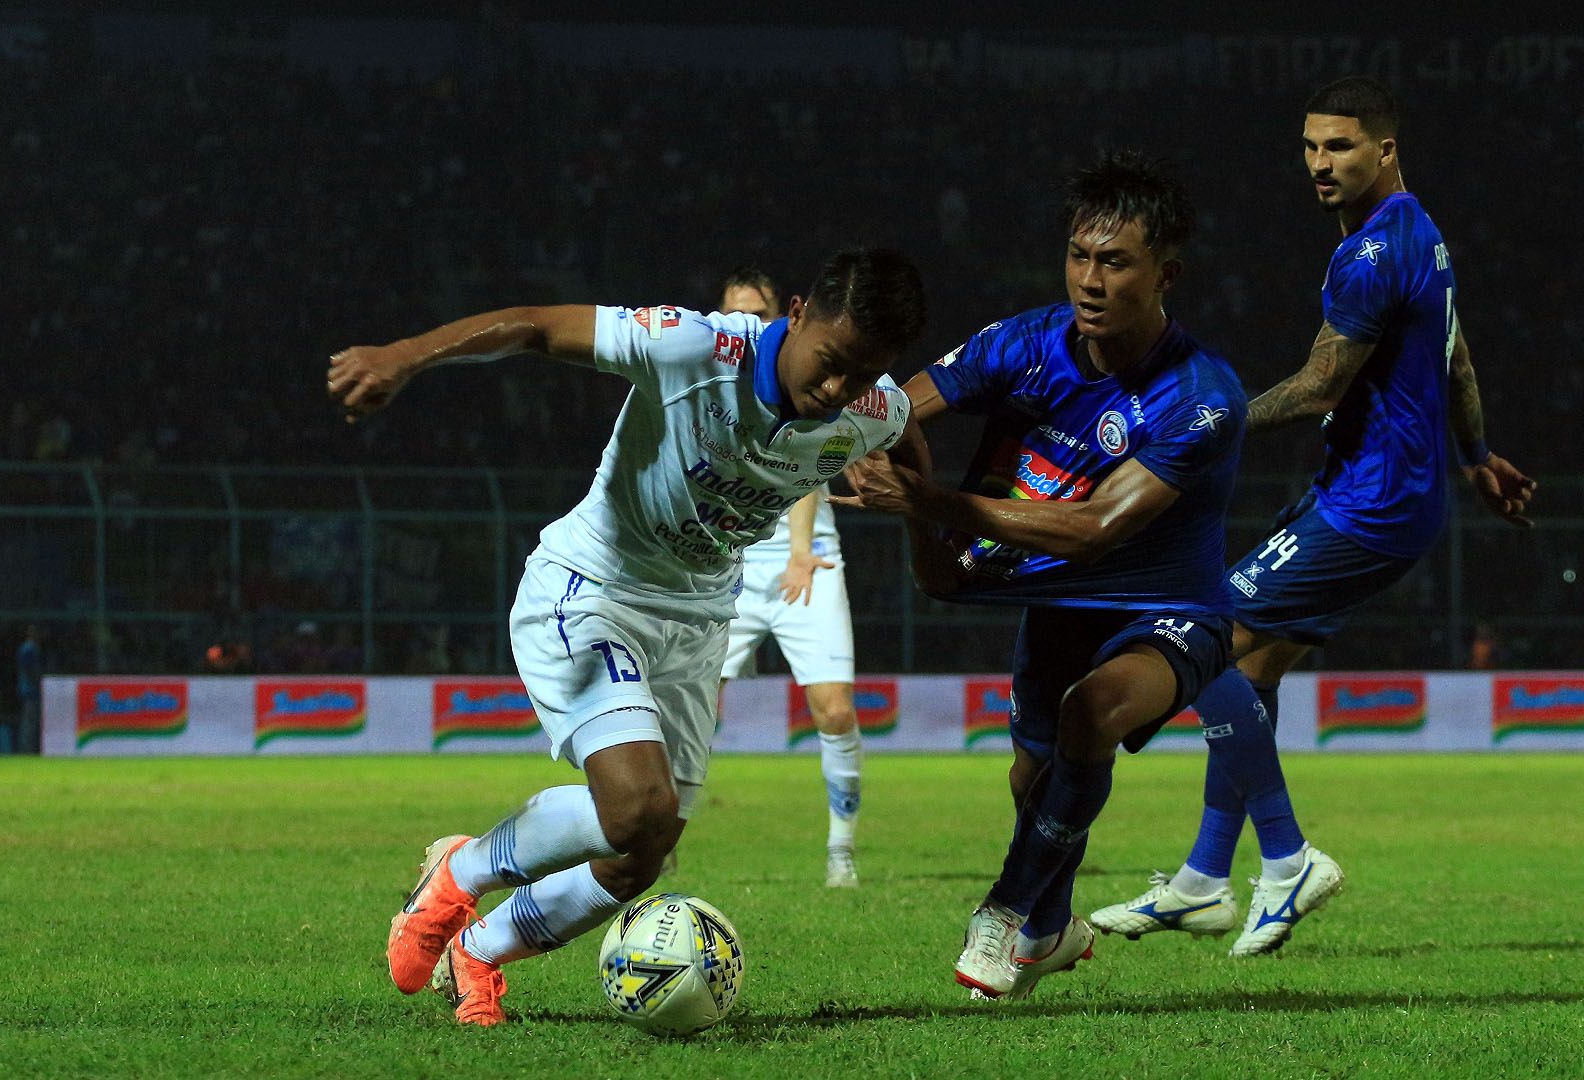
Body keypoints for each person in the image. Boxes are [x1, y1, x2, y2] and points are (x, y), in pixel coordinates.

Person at [327, 247, 923, 1025]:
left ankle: (480, 952)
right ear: (799, 313)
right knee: (639, 807)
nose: (839, 389)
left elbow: (908, 435)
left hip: (699, 621)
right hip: (593, 591)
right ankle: (459, 871)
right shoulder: (694, 347)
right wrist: (403, 356)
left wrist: (929, 518)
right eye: (834, 362)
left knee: (642, 851)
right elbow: (539, 328)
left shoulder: (870, 409)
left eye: (863, 374)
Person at [1089, 77, 1536, 957]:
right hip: (1377, 493)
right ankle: (1205, 881)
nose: (1319, 164)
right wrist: (1477, 457)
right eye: (1309, 147)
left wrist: (1202, 426)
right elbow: (1456, 354)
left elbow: (1320, 384)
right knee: (1249, 665)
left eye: (1338, 147)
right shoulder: (1422, 235)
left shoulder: (1369, 254)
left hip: (1373, 501)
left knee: (1202, 631)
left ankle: (1287, 858)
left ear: (1385, 149)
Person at [833, 151, 1251, 999]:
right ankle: (1054, 929)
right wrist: (813, 443)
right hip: (1055, 604)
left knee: (1089, 714)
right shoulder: (1024, 344)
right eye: (1078, 256)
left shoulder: (1201, 397)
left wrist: (930, 499)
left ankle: (1003, 913)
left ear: (1164, 273)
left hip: (1170, 610)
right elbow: (891, 408)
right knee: (1031, 779)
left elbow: (1095, 529)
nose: (1089, 280)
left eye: (1115, 261)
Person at [716, 266, 866, 889]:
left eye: (757, 311)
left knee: (832, 710)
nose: (745, 323)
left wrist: (801, 550)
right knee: (689, 708)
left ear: (783, 316)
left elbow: (806, 463)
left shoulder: (793, 371)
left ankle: (841, 853)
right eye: (735, 313)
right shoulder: (714, 376)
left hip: (804, 557)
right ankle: (658, 839)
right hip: (730, 562)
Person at [15, 625, 42, 754]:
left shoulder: (31, 648)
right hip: (29, 691)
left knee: (31, 722)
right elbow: (29, 670)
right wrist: (38, 683)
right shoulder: (28, 649)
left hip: (30, 690)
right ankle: (26, 750)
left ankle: (30, 748)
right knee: (29, 722)